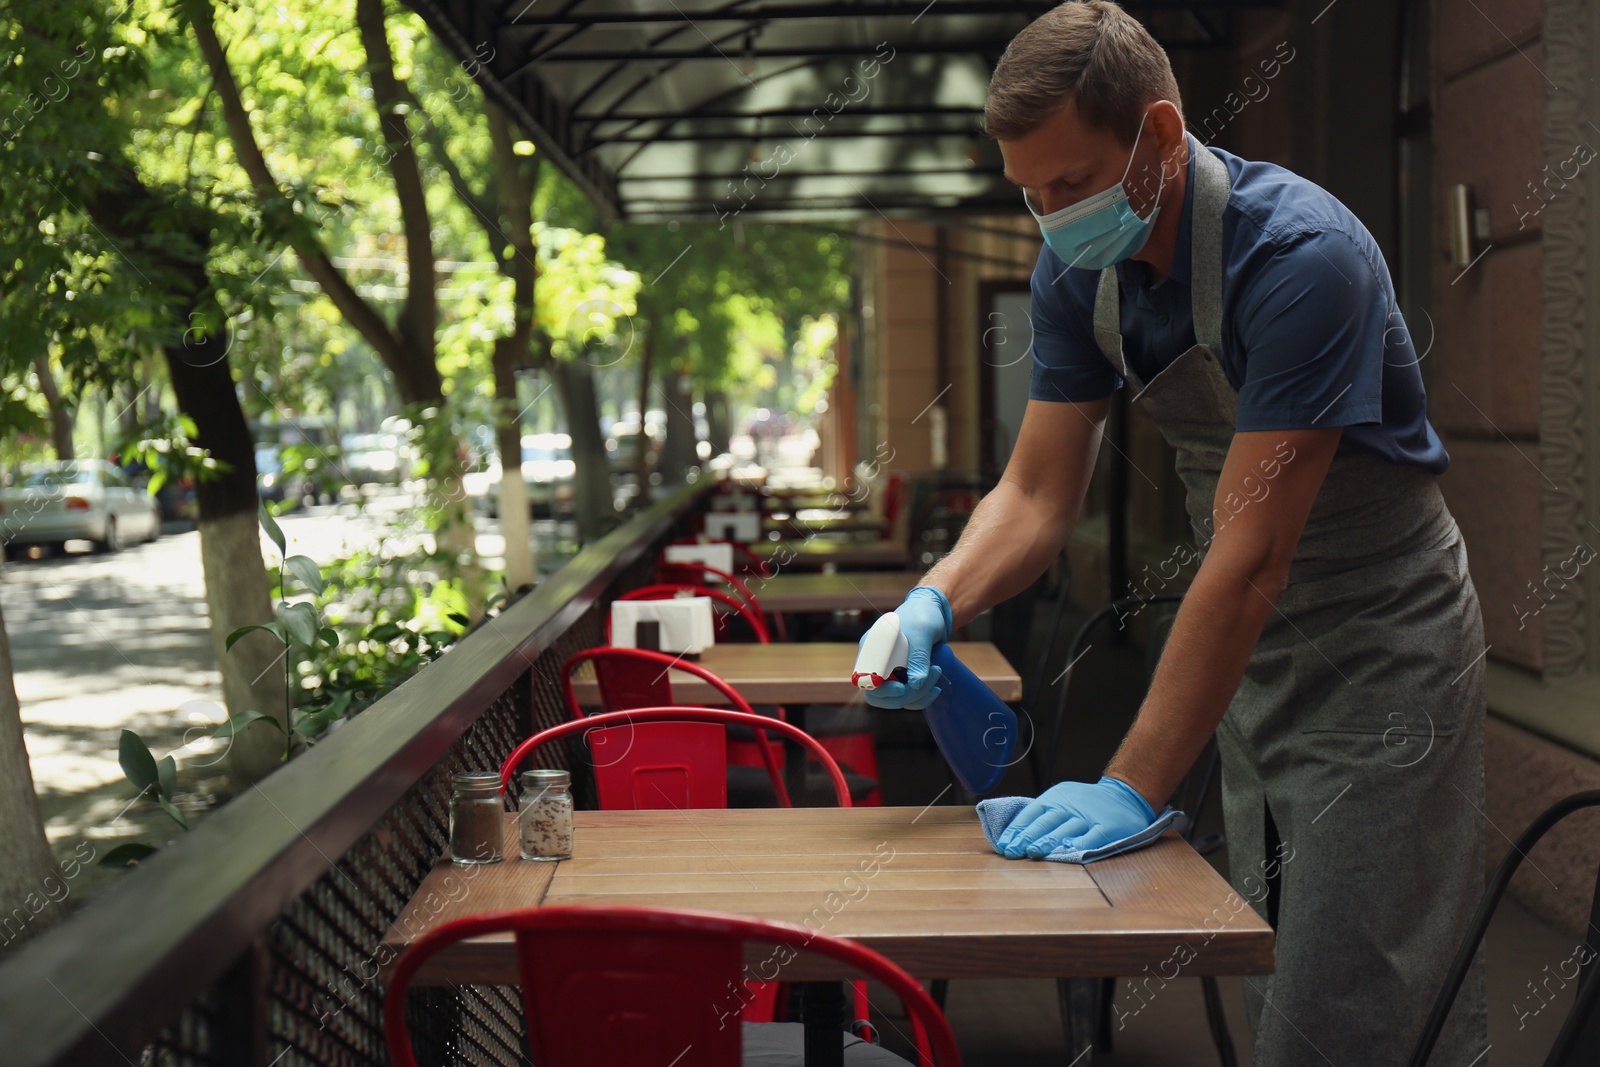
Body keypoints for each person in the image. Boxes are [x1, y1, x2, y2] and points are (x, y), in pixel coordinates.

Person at [859, 3, 1488, 1064]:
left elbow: (1247, 556)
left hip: (1382, 647)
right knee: (1270, 964)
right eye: (1030, 190)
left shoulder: (1301, 258)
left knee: (1363, 985)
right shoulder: (1075, 274)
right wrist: (933, 600)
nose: (1052, 215)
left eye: (1072, 182)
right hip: (1251, 655)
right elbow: (1037, 495)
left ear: (1157, 135)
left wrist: (1131, 780)